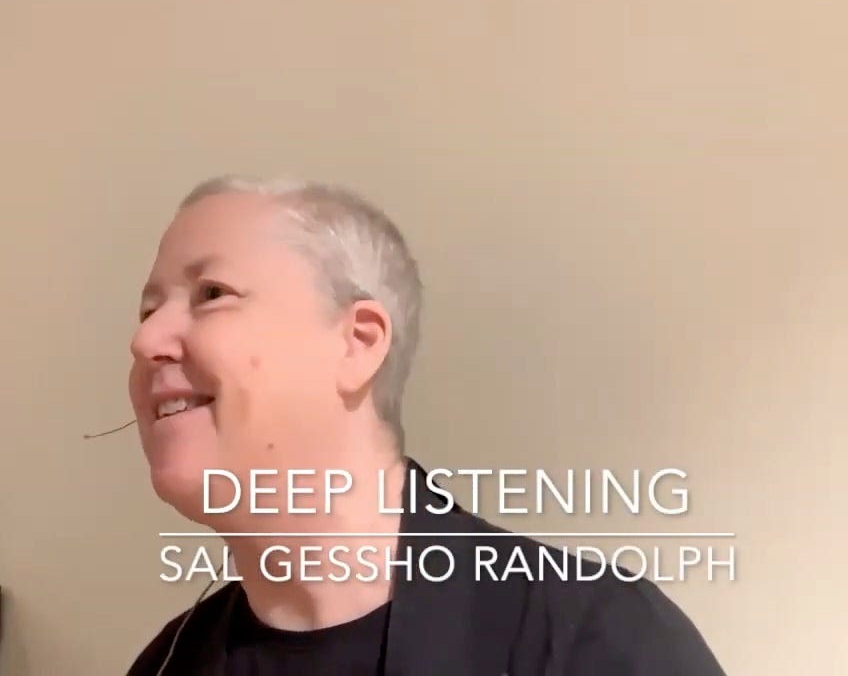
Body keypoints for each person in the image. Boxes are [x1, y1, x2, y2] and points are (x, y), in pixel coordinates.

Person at [124, 176, 727, 675]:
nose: (146, 339)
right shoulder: (166, 666)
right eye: (149, 310)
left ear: (357, 344)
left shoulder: (595, 643)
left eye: (211, 293)